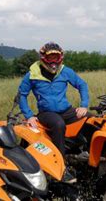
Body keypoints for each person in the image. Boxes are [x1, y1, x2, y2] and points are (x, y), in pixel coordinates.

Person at [18, 41, 89, 184]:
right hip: (46, 113)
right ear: (43, 58)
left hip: (67, 110)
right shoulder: (32, 74)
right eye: (51, 58)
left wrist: (84, 105)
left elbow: (82, 84)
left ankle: (89, 158)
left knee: (91, 119)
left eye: (57, 57)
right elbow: (21, 95)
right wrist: (29, 115)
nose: (54, 62)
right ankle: (61, 167)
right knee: (58, 124)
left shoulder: (65, 71)